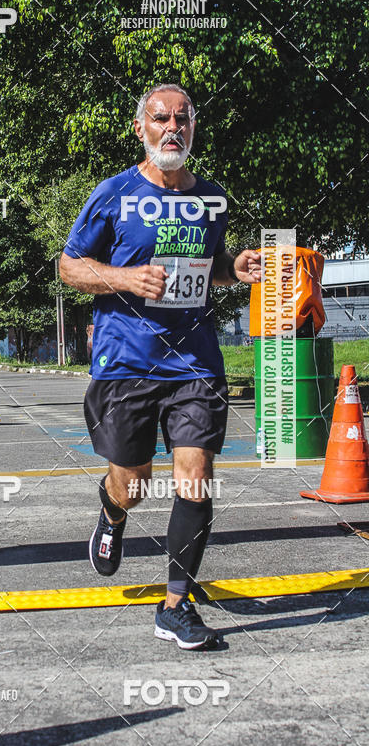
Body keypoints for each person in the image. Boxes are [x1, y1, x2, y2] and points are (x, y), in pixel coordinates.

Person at [60, 83, 261, 651]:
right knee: (134, 483)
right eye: (160, 118)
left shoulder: (211, 199)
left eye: (182, 118)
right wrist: (125, 278)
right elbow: (69, 267)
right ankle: (112, 513)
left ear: (193, 127)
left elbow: (209, 268)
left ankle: (176, 604)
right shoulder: (115, 194)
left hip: (195, 362)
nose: (172, 127)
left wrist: (235, 267)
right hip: (127, 361)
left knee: (195, 477)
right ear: (141, 128)